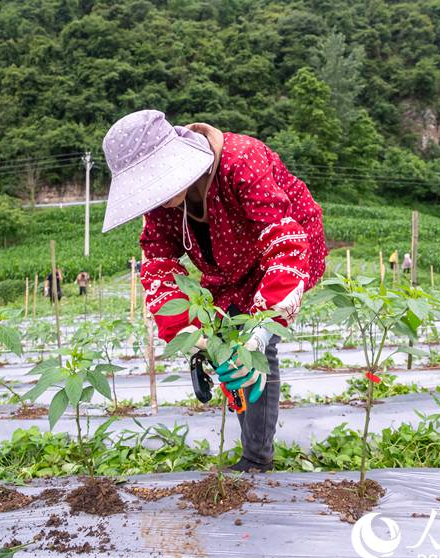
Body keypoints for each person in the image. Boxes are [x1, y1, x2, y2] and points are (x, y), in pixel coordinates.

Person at [101, 110, 327, 472]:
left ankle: (256, 459)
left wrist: (259, 329)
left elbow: (284, 245)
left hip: (280, 248)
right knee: (226, 347)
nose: (155, 198)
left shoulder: (242, 161)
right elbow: (158, 262)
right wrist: (186, 330)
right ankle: (251, 448)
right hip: (224, 266)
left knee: (257, 347)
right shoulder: (161, 206)